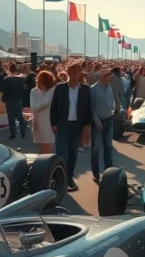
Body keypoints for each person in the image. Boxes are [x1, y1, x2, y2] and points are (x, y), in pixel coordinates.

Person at [50, 61, 93, 192]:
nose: (73, 76)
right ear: (67, 73)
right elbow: (54, 107)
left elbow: (88, 109)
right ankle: (59, 179)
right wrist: (53, 124)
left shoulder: (85, 89)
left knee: (73, 153)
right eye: (71, 73)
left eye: (76, 73)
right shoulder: (60, 88)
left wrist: (86, 125)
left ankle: (69, 177)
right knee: (61, 153)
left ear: (80, 73)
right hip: (63, 125)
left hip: (77, 126)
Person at [89, 68, 117, 183]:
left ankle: (109, 172)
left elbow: (112, 101)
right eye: (109, 76)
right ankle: (96, 174)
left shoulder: (109, 87)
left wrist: (112, 110)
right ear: (102, 77)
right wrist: (96, 119)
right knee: (96, 148)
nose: (111, 78)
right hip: (98, 122)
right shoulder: (94, 89)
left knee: (108, 146)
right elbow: (90, 107)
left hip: (109, 119)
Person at [0, 64, 28, 139]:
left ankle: (13, 133)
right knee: (20, 117)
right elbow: (25, 89)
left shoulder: (5, 79)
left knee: (11, 118)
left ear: (10, 70)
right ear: (16, 70)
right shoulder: (22, 79)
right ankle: (22, 131)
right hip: (19, 99)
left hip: (9, 100)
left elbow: (0, 89)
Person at [30, 70, 56, 154]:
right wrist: (46, 98)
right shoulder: (34, 91)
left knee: (48, 147)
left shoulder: (53, 91)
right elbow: (34, 108)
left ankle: (47, 165)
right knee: (42, 148)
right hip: (39, 122)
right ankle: (43, 165)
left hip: (50, 122)